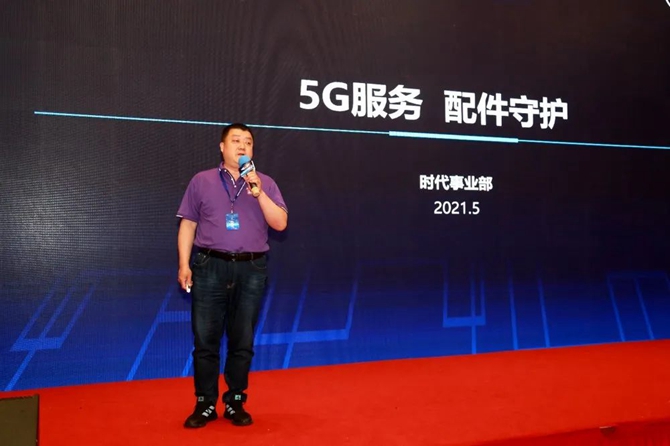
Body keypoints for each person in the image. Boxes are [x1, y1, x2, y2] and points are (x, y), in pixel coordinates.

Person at [176, 123, 288, 428]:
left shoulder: (265, 183)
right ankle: (205, 403)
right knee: (206, 339)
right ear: (222, 147)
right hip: (210, 265)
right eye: (236, 141)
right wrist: (184, 264)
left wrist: (258, 192)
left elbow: (280, 224)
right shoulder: (201, 181)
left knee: (242, 339)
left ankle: (235, 401)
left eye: (248, 142)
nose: (242, 146)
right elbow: (188, 224)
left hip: (251, 269)